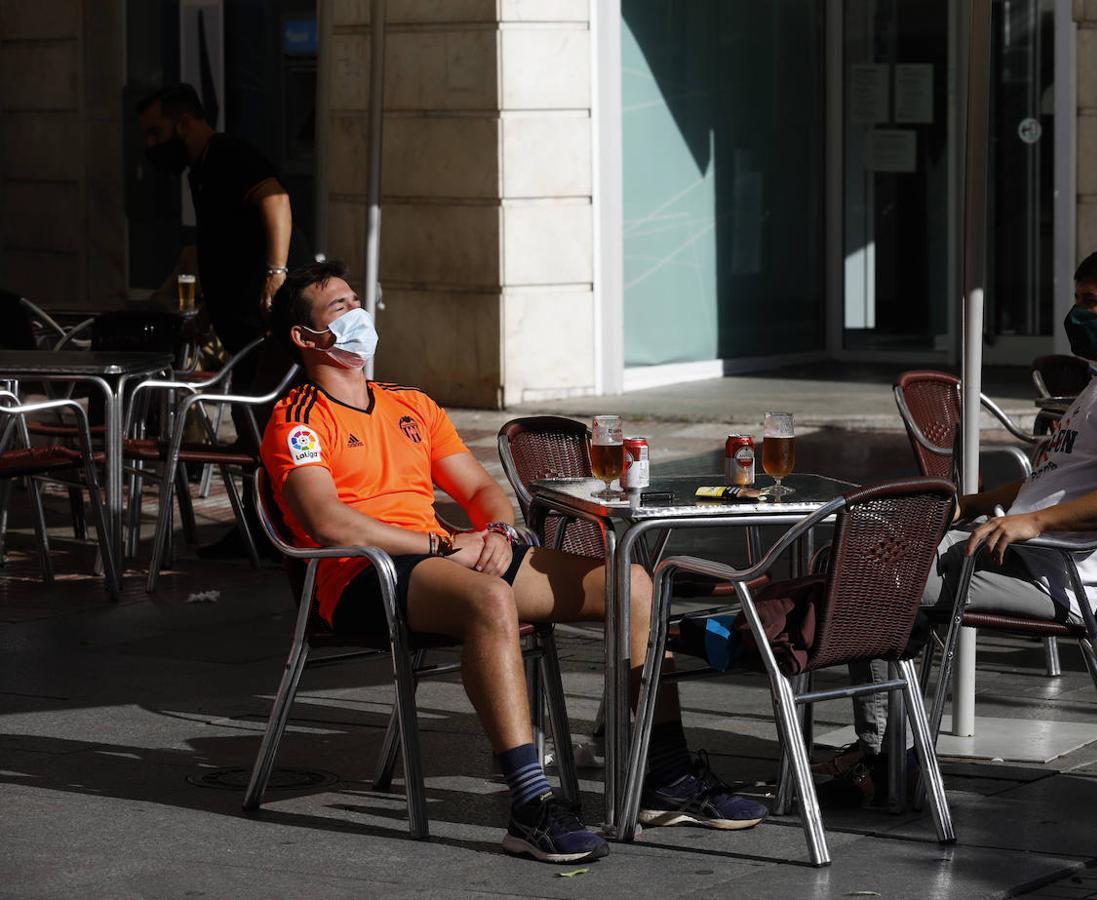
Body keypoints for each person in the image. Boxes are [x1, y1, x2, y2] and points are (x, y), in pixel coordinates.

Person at [261, 260, 766, 863]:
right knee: (488, 598)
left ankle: (664, 775)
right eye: (340, 309)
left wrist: (498, 530)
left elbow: (479, 491)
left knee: (632, 584)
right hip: (362, 575)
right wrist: (447, 545)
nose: (359, 317)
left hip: (447, 558)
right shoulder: (296, 418)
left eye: (356, 302)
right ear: (305, 337)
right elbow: (327, 521)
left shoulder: (411, 405)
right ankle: (530, 805)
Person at [827, 244, 1097, 803]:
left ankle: (885, 760)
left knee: (879, 579)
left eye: (1093, 303)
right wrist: (968, 505)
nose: (1078, 315)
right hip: (1018, 551)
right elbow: (1051, 480)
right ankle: (888, 750)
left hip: (1056, 574)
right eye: (1077, 300)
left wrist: (1032, 523)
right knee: (860, 552)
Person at [138, 83, 309, 558]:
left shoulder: (229, 153)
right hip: (237, 326)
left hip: (267, 326)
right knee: (251, 423)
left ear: (184, 122)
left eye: (156, 132)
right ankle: (260, 528)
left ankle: (285, 530)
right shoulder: (200, 171)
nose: (151, 146)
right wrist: (209, 314)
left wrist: (276, 273)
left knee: (269, 422)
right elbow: (225, 251)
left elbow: (276, 200)